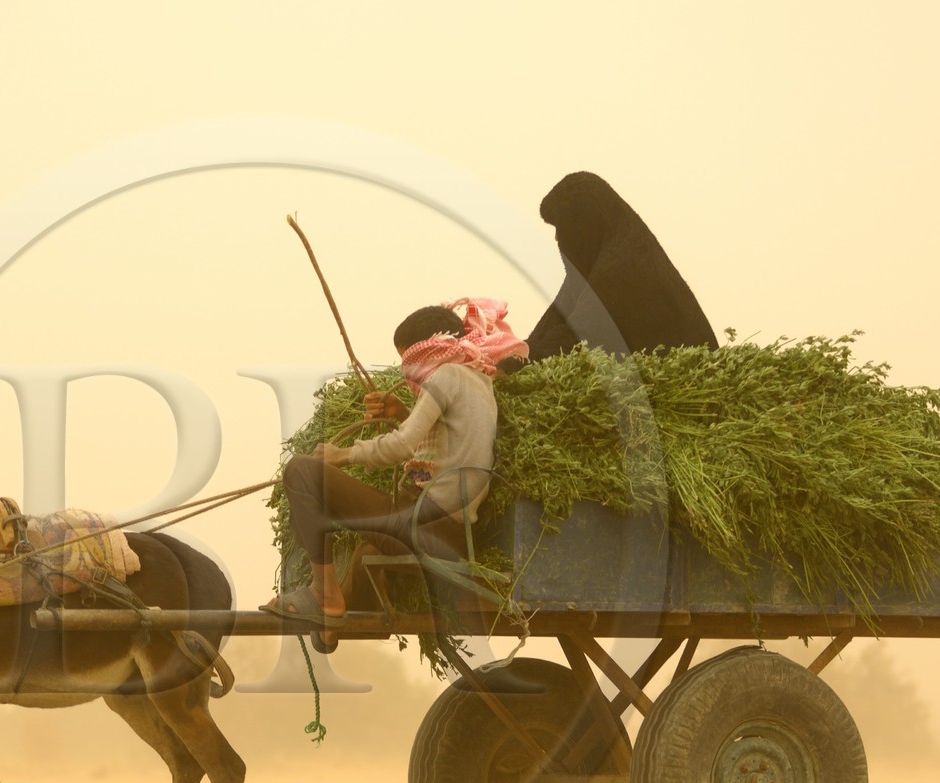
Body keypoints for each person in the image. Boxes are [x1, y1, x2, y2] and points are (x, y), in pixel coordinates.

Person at [262, 299, 524, 639]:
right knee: (365, 555)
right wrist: (401, 413)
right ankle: (337, 621)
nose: (408, 371)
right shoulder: (477, 380)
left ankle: (322, 594)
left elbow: (401, 446)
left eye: (408, 360)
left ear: (429, 349)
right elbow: (446, 449)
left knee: (301, 471)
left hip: (423, 521)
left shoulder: (445, 375)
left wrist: (341, 455)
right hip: (451, 534)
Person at [521, 171, 717, 362]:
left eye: (561, 227)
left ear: (583, 225)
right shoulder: (595, 267)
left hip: (685, 380)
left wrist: (524, 360)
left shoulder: (626, 266)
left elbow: (577, 337)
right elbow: (557, 317)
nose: (556, 238)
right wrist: (519, 351)